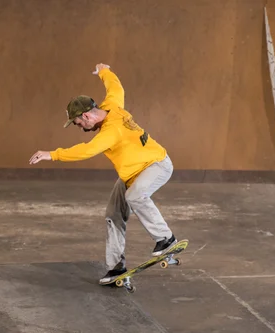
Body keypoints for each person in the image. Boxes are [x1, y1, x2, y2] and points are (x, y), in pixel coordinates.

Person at [29, 63, 177, 285]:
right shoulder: (112, 105)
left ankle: (166, 239)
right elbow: (116, 87)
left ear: (87, 116)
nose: (80, 127)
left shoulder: (110, 132)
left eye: (78, 123)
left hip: (156, 165)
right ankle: (116, 268)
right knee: (113, 214)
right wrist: (104, 72)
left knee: (135, 197)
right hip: (132, 174)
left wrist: (52, 154)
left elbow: (86, 151)